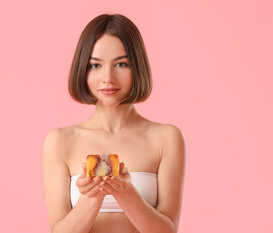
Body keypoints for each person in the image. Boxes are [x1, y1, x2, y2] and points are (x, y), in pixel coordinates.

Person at [42, 14, 186, 233]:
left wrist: (125, 192)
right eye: (95, 65)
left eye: (121, 64)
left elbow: (167, 230)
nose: (107, 77)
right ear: (82, 69)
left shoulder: (166, 138)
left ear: (137, 66)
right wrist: (92, 197)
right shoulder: (60, 141)